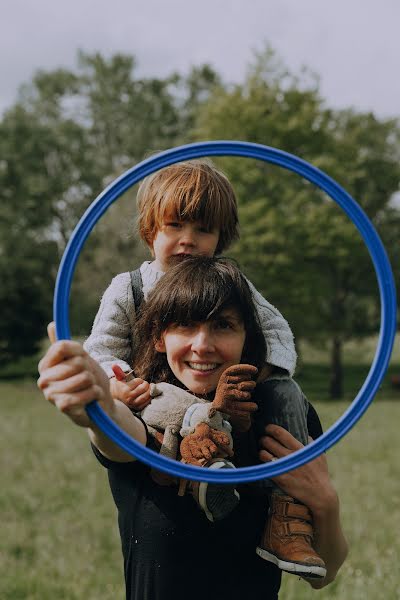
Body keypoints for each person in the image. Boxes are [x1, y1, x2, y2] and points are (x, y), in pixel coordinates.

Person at [38, 257, 348, 600]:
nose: (202, 344)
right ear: (159, 338)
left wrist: (325, 502)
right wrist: (96, 405)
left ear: (247, 335)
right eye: (185, 325)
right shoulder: (145, 406)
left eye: (223, 325)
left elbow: (325, 574)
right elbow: (120, 433)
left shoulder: (278, 415)